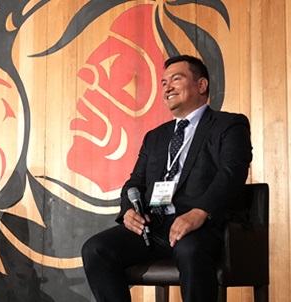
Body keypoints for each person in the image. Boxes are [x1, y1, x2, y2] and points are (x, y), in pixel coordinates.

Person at [81, 55, 253, 302]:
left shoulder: (228, 125)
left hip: (202, 226)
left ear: (201, 85)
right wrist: (129, 210)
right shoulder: (156, 137)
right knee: (96, 249)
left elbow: (232, 172)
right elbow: (135, 182)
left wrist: (200, 212)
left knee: (189, 249)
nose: (167, 87)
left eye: (176, 79)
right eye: (163, 83)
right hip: (155, 227)